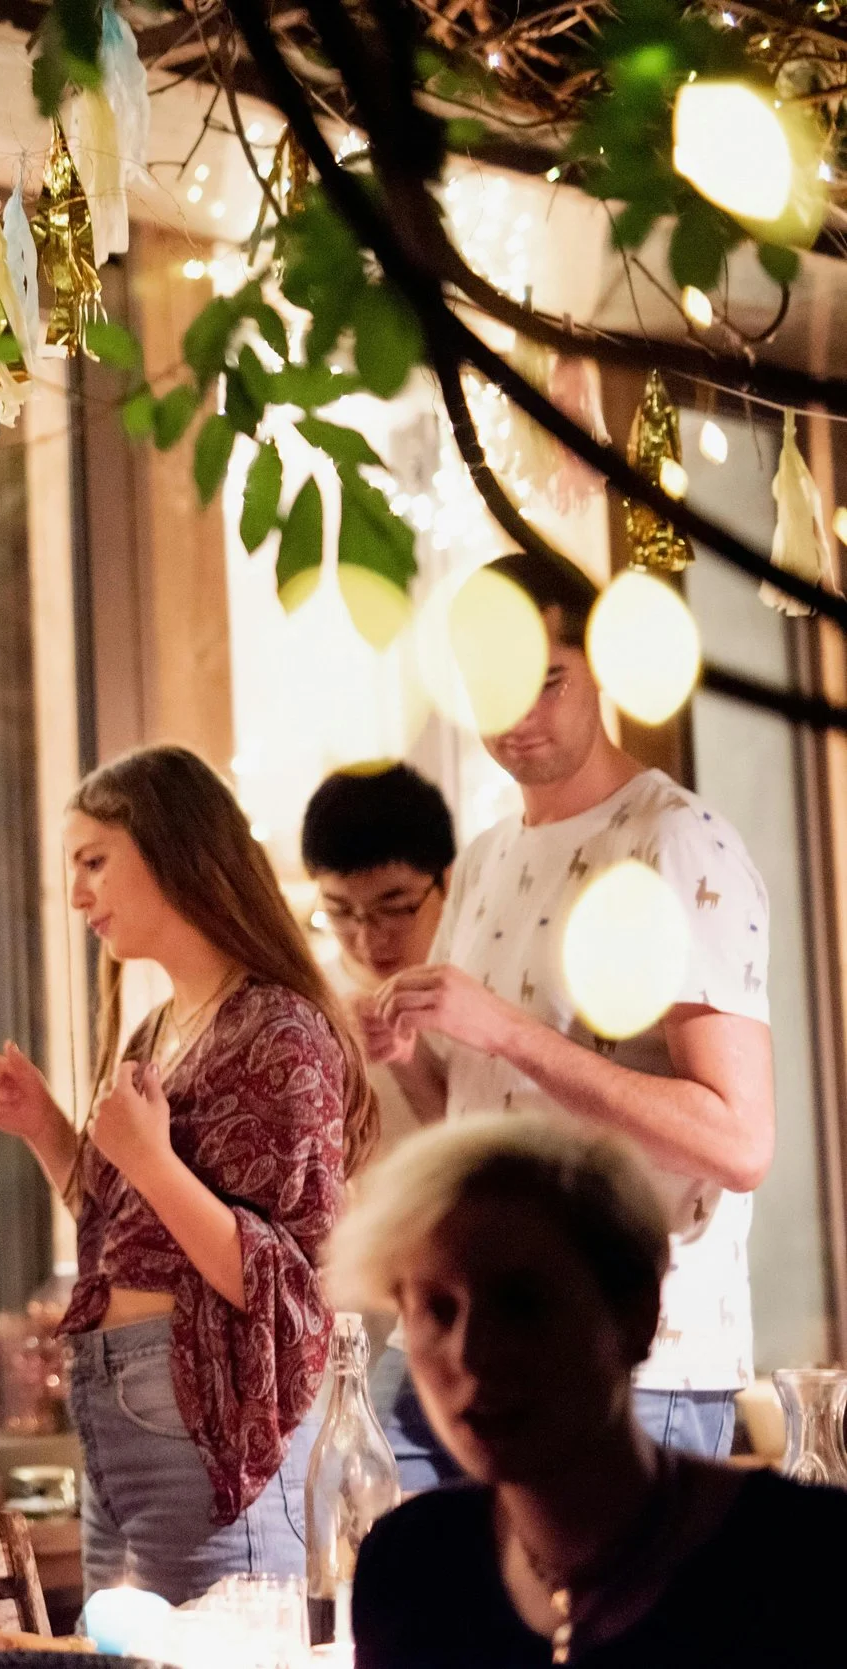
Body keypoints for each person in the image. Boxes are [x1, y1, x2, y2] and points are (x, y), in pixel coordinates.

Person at [364, 551, 775, 1488]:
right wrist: (411, 1061)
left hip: (631, 1348)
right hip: (474, 1327)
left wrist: (507, 1031)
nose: (519, 716)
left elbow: (740, 1140)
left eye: (547, 680)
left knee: (616, 1634)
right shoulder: (480, 860)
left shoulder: (671, 838)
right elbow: (493, 1126)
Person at [0, 744, 373, 1604]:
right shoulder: (154, 1032)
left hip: (204, 1417)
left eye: (94, 861)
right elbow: (131, 1233)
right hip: (117, 1413)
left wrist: (145, 1155)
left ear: (176, 849)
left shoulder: (280, 1029)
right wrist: (46, 1127)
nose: (77, 895)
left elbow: (294, 1283)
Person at [337, 1115, 847, 1667]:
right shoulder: (410, 1565)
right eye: (438, 1310)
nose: (471, 1353)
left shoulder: (808, 1557)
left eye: (522, 1304)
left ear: (639, 1314)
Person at [300, 761, 455, 1156]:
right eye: (339, 911)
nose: (367, 939)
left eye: (395, 907)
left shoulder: (480, 987)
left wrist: (404, 1055)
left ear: (449, 880)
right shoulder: (306, 998)